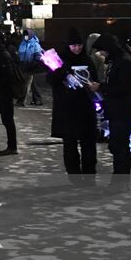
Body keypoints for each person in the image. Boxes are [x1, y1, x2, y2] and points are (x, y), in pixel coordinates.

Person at [92, 33, 131, 173]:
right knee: (117, 146)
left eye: (102, 50)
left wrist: (101, 87)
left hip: (122, 111)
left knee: (119, 146)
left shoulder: (123, 62)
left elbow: (124, 87)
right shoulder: (117, 61)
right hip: (117, 110)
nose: (101, 53)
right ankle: (120, 180)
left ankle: (120, 181)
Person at [49, 29, 98, 175]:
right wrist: (61, 74)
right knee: (70, 144)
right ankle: (74, 174)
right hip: (67, 109)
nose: (77, 48)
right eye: (73, 45)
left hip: (86, 108)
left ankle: (89, 174)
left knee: (88, 144)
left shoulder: (87, 60)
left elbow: (94, 79)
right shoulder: (59, 61)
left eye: (79, 45)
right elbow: (51, 80)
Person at [18, 28, 46, 106]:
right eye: (24, 35)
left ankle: (22, 101)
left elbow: (38, 56)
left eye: (27, 35)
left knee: (27, 84)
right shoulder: (23, 43)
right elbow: (20, 54)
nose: (25, 36)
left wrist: (32, 64)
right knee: (32, 84)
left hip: (32, 66)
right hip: (24, 65)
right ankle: (37, 99)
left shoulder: (35, 44)